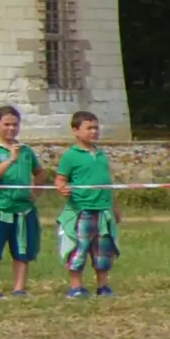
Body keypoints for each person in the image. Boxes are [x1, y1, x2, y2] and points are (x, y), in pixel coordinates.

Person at [0, 104, 42, 297]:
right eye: (7, 124)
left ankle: (19, 289)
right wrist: (10, 160)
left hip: (22, 209)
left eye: (15, 124)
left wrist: (35, 192)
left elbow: (40, 172)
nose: (11, 128)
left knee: (22, 251)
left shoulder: (26, 151)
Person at [54, 109, 119, 297]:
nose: (94, 132)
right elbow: (60, 179)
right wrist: (62, 188)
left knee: (103, 251)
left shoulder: (101, 155)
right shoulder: (70, 156)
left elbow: (107, 183)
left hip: (103, 210)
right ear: (75, 130)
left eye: (96, 128)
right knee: (79, 249)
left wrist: (114, 206)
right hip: (82, 210)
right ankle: (76, 287)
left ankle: (103, 285)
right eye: (89, 128)